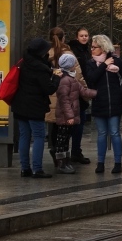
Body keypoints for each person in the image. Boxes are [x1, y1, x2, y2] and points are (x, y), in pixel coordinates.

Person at [10, 37, 61, 178]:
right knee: (38, 136)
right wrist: (57, 77)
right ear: (41, 52)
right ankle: (37, 169)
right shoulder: (40, 69)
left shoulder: (24, 62)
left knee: (24, 136)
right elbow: (49, 89)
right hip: (35, 107)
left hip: (20, 105)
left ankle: (24, 168)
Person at [88, 33, 122, 174]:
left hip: (114, 102)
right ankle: (100, 162)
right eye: (91, 47)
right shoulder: (91, 63)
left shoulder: (116, 61)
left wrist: (120, 91)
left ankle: (118, 162)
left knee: (115, 132)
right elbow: (91, 79)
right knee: (101, 133)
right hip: (99, 102)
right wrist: (103, 65)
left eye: (94, 47)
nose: (91, 50)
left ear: (102, 48)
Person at [52, 53, 95, 174]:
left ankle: (66, 161)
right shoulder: (65, 80)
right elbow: (64, 100)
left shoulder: (72, 79)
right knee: (62, 140)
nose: (75, 65)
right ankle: (61, 163)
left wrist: (97, 93)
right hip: (65, 116)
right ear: (70, 66)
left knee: (65, 139)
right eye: (74, 64)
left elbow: (83, 91)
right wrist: (69, 116)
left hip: (69, 116)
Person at [46, 27, 75, 170]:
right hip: (66, 96)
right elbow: (78, 75)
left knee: (54, 127)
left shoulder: (46, 53)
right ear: (63, 38)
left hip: (51, 96)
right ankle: (62, 159)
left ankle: (56, 152)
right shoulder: (69, 54)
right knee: (64, 131)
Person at [67, 28, 96, 165]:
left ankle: (75, 150)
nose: (84, 38)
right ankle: (72, 151)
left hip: (82, 88)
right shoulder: (74, 50)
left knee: (80, 121)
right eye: (81, 35)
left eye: (86, 35)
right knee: (75, 121)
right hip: (76, 89)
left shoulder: (86, 50)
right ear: (77, 36)